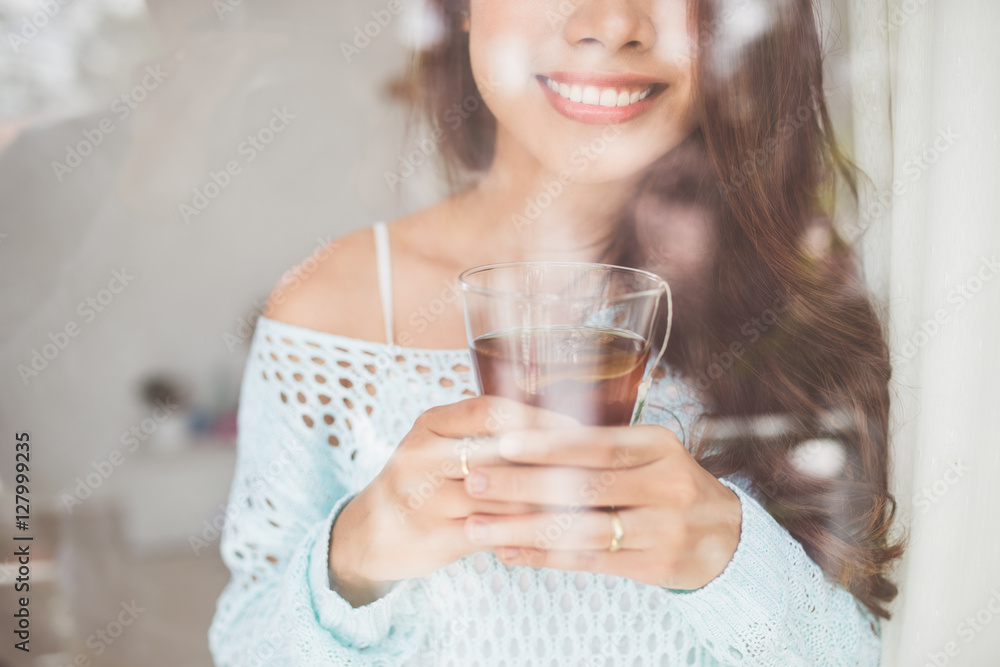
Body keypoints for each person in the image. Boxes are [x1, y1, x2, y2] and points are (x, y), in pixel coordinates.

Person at [209, 0, 903, 664]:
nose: (610, 23)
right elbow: (244, 651)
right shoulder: (333, 307)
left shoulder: (802, 303)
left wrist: (730, 558)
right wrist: (353, 556)